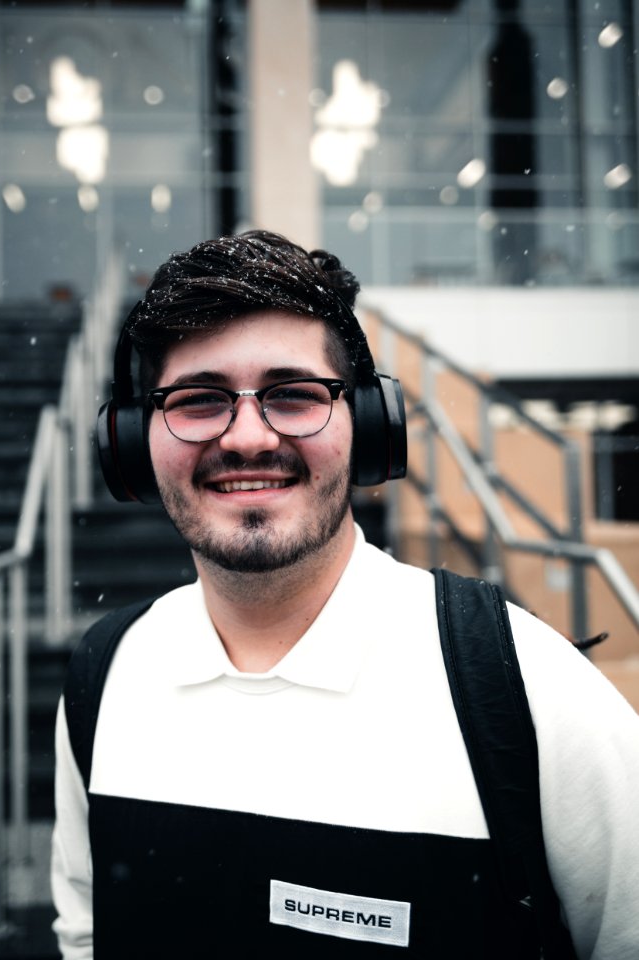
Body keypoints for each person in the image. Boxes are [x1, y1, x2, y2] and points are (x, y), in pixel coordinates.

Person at [51, 230, 639, 959]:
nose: (247, 438)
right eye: (199, 400)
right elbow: (86, 938)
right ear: (134, 440)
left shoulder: (529, 688)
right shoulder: (105, 676)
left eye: (293, 395)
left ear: (367, 425)